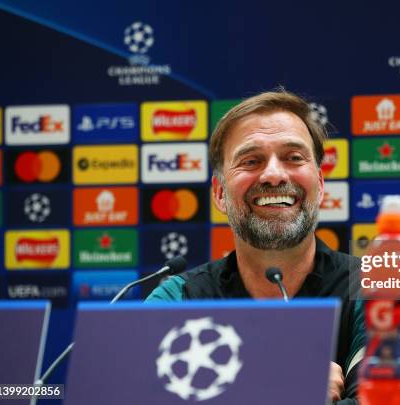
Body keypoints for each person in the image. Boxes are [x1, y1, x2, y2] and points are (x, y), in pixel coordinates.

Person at [146, 89, 365, 403]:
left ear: (320, 184)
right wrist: (285, 386)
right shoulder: (176, 298)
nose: (274, 175)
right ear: (220, 194)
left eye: (293, 157)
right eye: (251, 161)